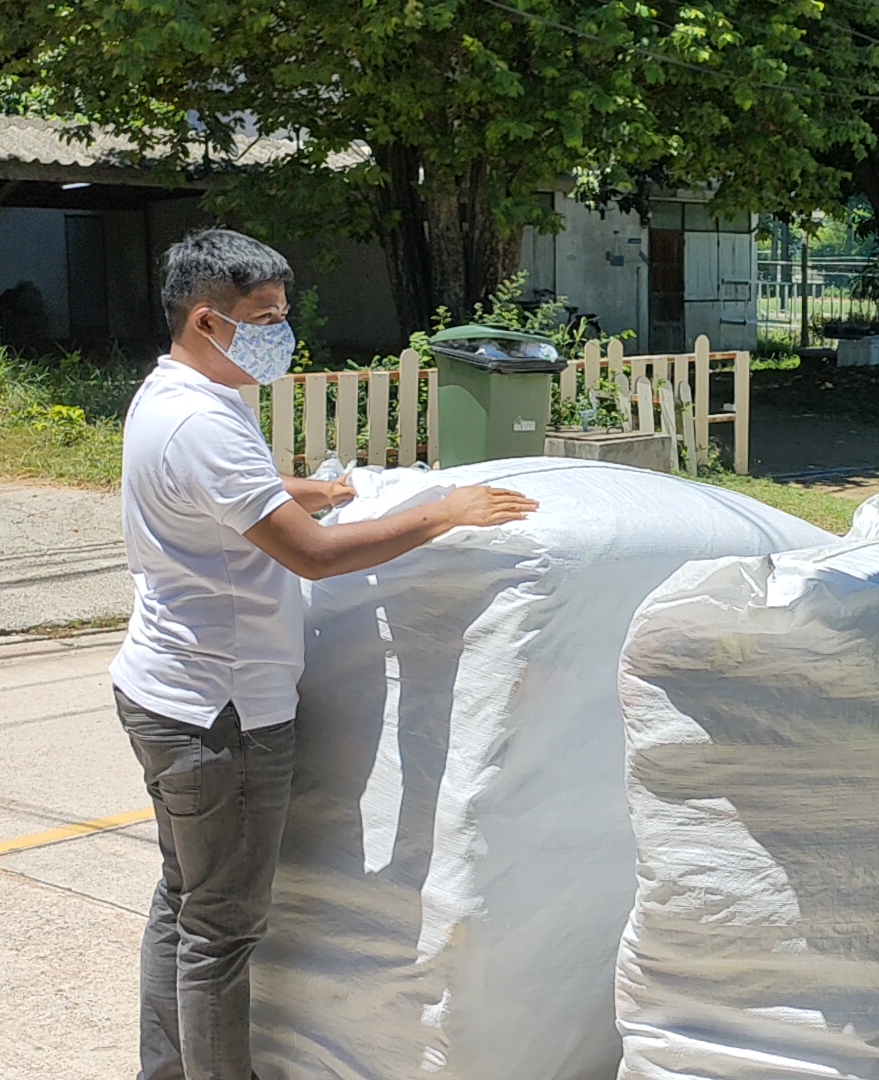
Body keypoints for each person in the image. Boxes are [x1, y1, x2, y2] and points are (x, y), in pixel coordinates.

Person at [111, 228, 539, 1080]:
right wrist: (442, 513)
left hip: (166, 690)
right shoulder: (204, 422)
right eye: (264, 318)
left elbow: (235, 495)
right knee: (221, 931)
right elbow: (312, 556)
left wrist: (323, 490)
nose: (282, 332)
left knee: (186, 903)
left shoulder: (173, 394)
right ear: (206, 321)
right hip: (221, 714)